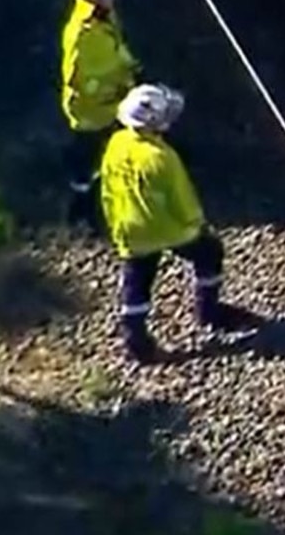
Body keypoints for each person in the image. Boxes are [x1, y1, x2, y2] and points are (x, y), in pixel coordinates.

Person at [100, 84, 260, 363]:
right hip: (168, 229)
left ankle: (135, 338)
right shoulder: (162, 158)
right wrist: (197, 223)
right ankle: (208, 311)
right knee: (210, 251)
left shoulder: (116, 144)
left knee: (137, 281)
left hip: (129, 229)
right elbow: (182, 199)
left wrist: (115, 224)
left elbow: (108, 189)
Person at [60, 0, 141, 230]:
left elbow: (115, 50)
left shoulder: (101, 16)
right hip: (95, 109)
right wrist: (119, 95)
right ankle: (84, 207)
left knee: (92, 152)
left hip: (106, 101)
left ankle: (85, 199)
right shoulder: (85, 37)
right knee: (90, 154)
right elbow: (85, 80)